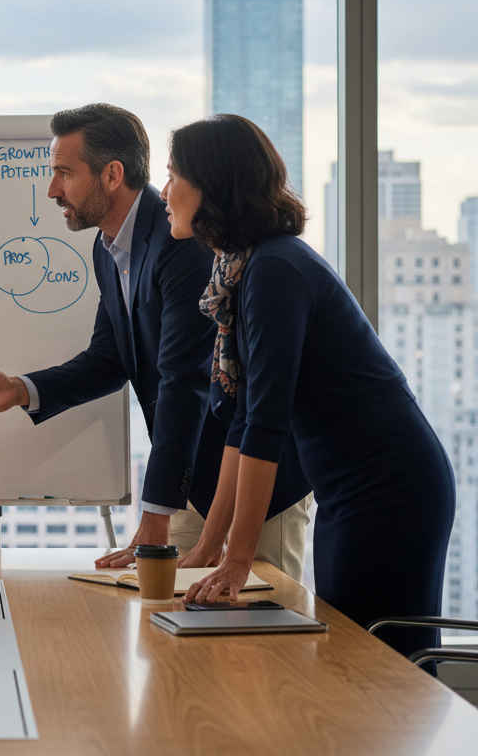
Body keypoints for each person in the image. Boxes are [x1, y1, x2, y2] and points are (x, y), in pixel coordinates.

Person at [0, 103, 311, 573]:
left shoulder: (181, 241)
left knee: (251, 635)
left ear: (112, 174)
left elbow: (184, 383)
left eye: (64, 174)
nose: (52, 190)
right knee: (177, 624)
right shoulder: (106, 247)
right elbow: (109, 358)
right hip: (193, 482)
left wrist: (152, 521)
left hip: (253, 482)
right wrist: (19, 390)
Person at [171, 114, 455, 660]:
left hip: (388, 487)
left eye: (174, 175)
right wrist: (211, 546)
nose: (166, 193)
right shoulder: (248, 268)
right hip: (351, 487)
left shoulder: (275, 270)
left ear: (210, 184)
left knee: (383, 665)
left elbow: (266, 426)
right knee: (356, 658)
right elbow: (241, 417)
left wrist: (237, 558)